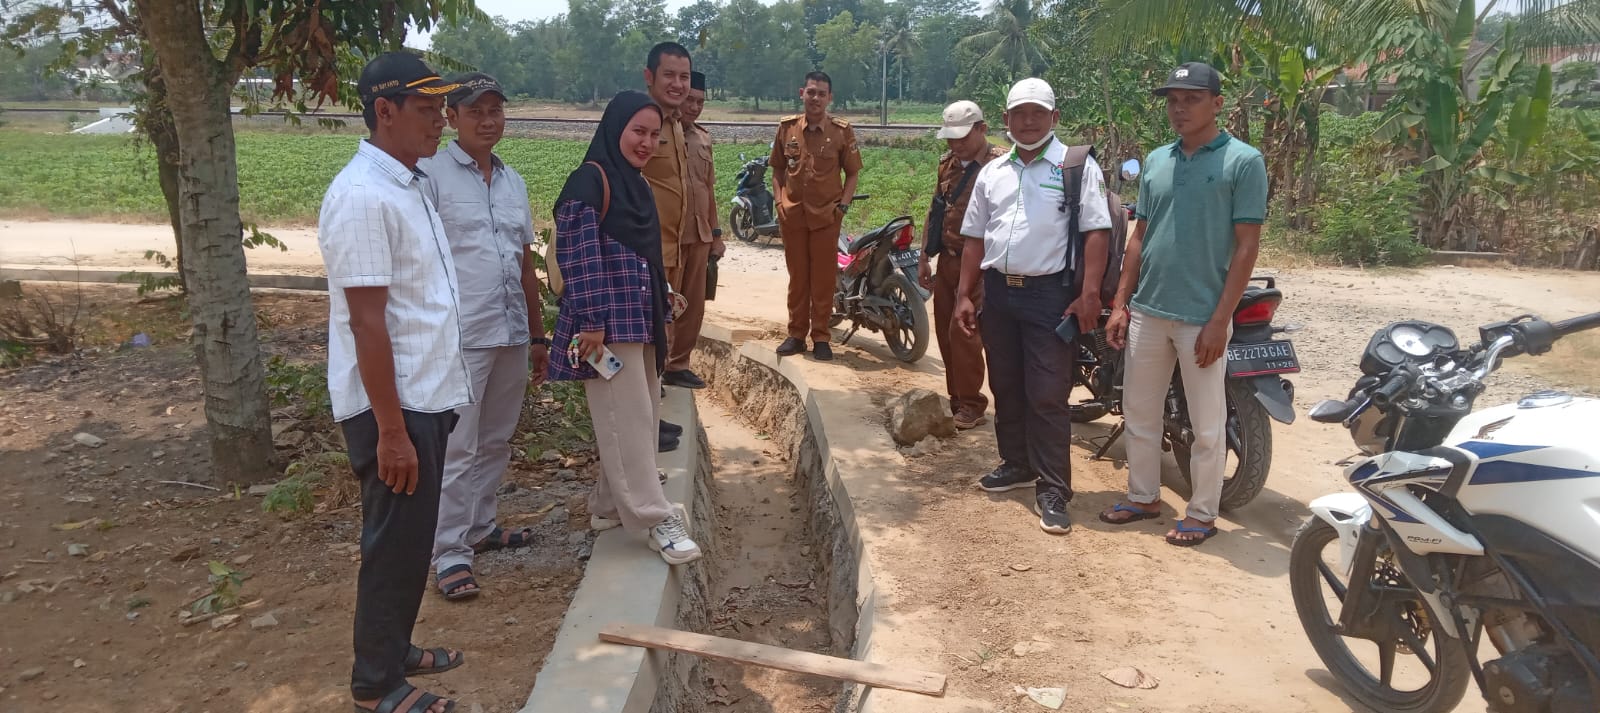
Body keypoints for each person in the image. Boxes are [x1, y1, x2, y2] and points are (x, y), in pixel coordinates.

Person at [319, 52, 469, 713]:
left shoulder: (407, 184)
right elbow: (368, 323)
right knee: (393, 543)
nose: (441, 120)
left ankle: (396, 646)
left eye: (442, 107)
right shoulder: (361, 197)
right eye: (428, 108)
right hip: (395, 407)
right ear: (385, 112)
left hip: (423, 397)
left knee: (412, 540)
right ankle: (375, 682)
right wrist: (391, 430)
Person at [1099, 62, 1267, 547]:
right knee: (1139, 411)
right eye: (1173, 99)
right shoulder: (1156, 161)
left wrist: (1221, 319)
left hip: (1202, 317)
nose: (1179, 108)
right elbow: (1140, 236)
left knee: (1207, 422)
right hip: (1149, 309)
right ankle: (1144, 495)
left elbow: (1246, 246)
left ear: (1218, 103)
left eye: (1192, 98)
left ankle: (1202, 513)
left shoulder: (1243, 161)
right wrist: (1120, 302)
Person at [548, 90, 703, 566]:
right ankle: (653, 519)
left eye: (654, 134)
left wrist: (662, 294)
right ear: (615, 128)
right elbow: (580, 259)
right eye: (638, 131)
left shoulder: (633, 185)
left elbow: (641, 255)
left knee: (639, 411)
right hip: (603, 329)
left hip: (637, 320)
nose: (646, 142)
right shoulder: (588, 183)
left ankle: (608, 505)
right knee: (627, 416)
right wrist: (592, 323)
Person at [954, 78, 1112, 535]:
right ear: (1005, 120)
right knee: (1005, 383)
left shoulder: (1076, 167)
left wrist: (1089, 294)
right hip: (999, 292)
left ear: (1054, 118)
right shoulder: (993, 171)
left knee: (1046, 393)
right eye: (1019, 113)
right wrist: (966, 293)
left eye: (1038, 113)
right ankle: (1016, 464)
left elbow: (1096, 232)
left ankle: (1054, 488)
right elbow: (974, 238)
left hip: (1049, 296)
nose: (1028, 121)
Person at [417, 72, 550, 601]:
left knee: (496, 438)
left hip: (511, 331)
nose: (488, 121)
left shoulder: (512, 180)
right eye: (475, 112)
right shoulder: (431, 175)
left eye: (496, 110)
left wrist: (538, 336)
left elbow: (524, 264)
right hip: (460, 336)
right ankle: (448, 551)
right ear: (451, 118)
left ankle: (481, 526)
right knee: (458, 446)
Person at [919, 100, 1007, 430]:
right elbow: (936, 209)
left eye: (963, 138)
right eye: (950, 139)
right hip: (949, 260)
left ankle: (972, 403)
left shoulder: (1001, 165)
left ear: (982, 129)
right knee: (945, 332)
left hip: (983, 265)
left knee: (965, 333)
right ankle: (956, 397)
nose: (956, 145)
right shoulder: (948, 165)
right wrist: (925, 255)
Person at [770, 71, 862, 361]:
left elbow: (853, 172)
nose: (816, 98)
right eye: (811, 92)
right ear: (802, 93)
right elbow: (778, 169)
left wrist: (842, 207)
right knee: (798, 278)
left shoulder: (841, 131)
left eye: (822, 93)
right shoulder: (787, 129)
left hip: (826, 217)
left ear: (829, 97)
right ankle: (796, 334)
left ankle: (821, 336)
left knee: (822, 279)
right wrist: (779, 202)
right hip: (793, 215)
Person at [640, 40, 694, 450]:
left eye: (684, 77)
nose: (677, 84)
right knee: (645, 339)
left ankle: (651, 416)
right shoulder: (642, 122)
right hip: (647, 251)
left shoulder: (674, 124)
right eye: (669, 75)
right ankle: (642, 420)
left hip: (673, 250)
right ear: (650, 78)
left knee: (663, 336)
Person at [663, 70, 726, 389]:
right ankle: (657, 367)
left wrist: (716, 234)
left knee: (694, 305)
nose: (695, 107)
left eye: (700, 101)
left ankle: (678, 364)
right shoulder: (662, 132)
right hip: (668, 236)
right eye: (690, 100)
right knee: (665, 304)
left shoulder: (703, 138)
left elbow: (708, 188)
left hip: (699, 234)